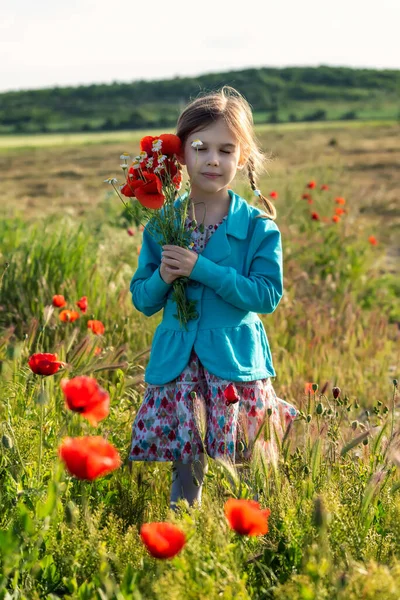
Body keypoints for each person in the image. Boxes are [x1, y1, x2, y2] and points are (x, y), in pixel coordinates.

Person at [128, 85, 298, 511]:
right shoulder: (163, 224)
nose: (213, 160)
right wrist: (163, 279)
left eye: (226, 150)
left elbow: (266, 295)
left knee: (247, 459)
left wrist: (201, 268)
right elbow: (143, 299)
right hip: (180, 364)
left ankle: (255, 531)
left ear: (241, 158)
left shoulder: (258, 227)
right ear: (182, 154)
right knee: (186, 465)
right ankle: (182, 530)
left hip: (233, 366)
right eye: (201, 148)